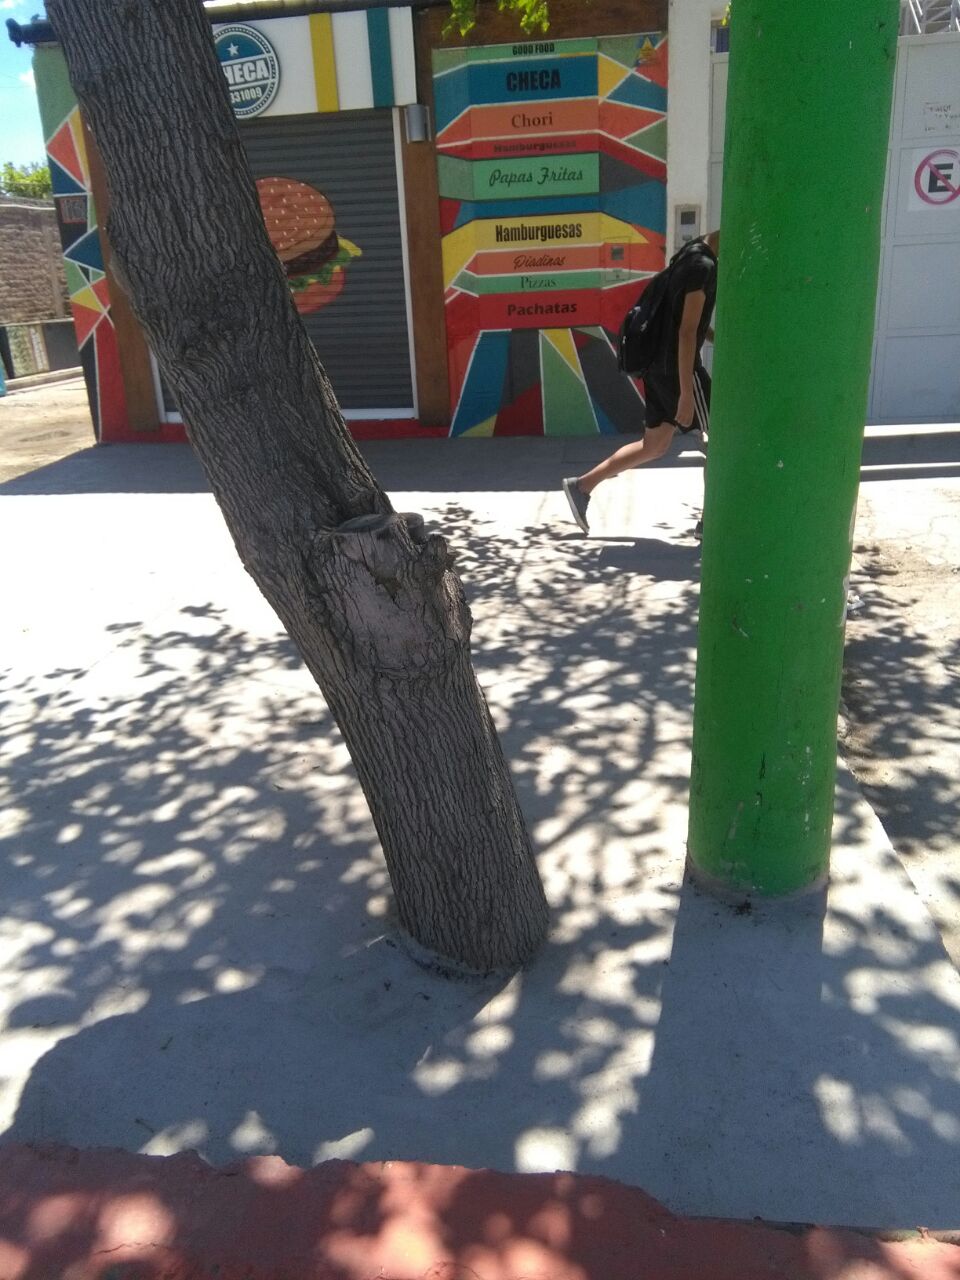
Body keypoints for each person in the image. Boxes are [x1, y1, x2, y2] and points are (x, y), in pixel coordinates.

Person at [563, 230, 719, 537]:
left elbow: (684, 321)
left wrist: (715, 337)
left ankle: (582, 486)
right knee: (720, 443)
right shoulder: (704, 267)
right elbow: (687, 332)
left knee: (655, 445)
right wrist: (687, 393)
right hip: (679, 371)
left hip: (657, 368)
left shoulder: (687, 256)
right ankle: (709, 522)